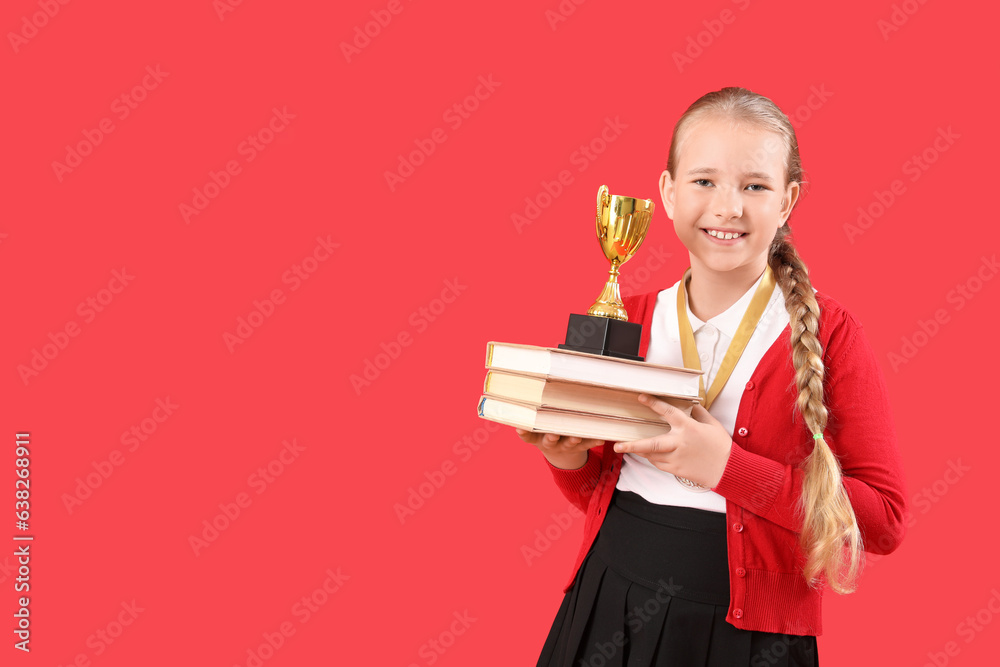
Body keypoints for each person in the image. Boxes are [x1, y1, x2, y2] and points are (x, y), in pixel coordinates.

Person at [514, 86, 908, 666]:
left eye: (755, 186)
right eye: (704, 182)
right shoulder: (625, 315)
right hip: (606, 604)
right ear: (667, 194)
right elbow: (601, 491)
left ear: (788, 201)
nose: (729, 207)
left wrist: (728, 468)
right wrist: (565, 455)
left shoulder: (833, 336)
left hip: (747, 639)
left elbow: (882, 525)